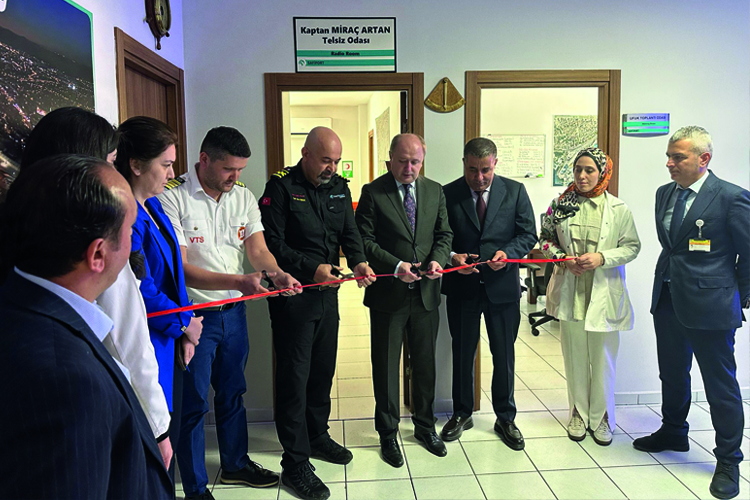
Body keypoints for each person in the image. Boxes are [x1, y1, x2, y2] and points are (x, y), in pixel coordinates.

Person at [0, 154, 172, 499]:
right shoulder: (67, 380)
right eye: (129, 231)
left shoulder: (19, 304)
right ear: (97, 255)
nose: (132, 245)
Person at [159, 126, 300, 500]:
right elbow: (181, 269)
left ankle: (236, 464)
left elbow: (258, 250)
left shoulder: (243, 196)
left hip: (234, 314)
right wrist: (240, 280)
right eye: (228, 169)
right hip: (195, 318)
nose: (235, 177)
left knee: (233, 392)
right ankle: (195, 488)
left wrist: (277, 273)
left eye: (240, 170)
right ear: (204, 159)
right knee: (193, 403)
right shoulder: (173, 197)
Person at [633, 126, 749, 500]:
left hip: (712, 306)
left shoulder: (730, 197)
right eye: (668, 156)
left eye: (678, 157)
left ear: (704, 158)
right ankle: (673, 431)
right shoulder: (664, 193)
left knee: (720, 385)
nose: (669, 164)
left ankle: (728, 460)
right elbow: (673, 247)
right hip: (668, 298)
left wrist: (738, 297)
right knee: (672, 373)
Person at [259, 126, 374, 500]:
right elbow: (272, 244)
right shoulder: (280, 187)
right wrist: (312, 269)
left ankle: (316, 435)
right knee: (294, 377)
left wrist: (358, 262)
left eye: (336, 161)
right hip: (293, 297)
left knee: (322, 371)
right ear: (305, 154)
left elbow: (350, 234)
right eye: (326, 160)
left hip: (327, 296)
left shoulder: (339, 187)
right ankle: (295, 462)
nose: (332, 167)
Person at [355, 133, 453, 467]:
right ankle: (387, 433)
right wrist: (396, 266)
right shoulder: (373, 192)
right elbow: (364, 240)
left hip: (426, 295)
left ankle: (425, 427)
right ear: (390, 159)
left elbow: (444, 235)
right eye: (402, 161)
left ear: (422, 160)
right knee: (386, 367)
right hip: (388, 296)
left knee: (424, 365)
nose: (409, 168)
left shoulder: (434, 191)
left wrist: (438, 259)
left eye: (415, 162)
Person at [114, 116, 204, 480]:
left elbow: (175, 276)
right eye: (165, 165)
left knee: (172, 431)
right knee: (154, 445)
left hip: (171, 338)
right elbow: (141, 291)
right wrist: (184, 322)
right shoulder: (126, 218)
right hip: (150, 341)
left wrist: (186, 324)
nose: (171, 174)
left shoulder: (154, 207)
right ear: (136, 165)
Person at [539, 147, 641, 446]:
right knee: (574, 357)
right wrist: (562, 259)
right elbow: (544, 240)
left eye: (589, 170)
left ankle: (603, 417)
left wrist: (602, 258)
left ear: (602, 173)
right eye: (578, 170)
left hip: (604, 291)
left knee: (603, 358)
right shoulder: (559, 205)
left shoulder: (618, 208)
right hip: (572, 288)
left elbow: (632, 247)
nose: (582, 176)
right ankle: (578, 414)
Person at [440, 137, 537, 449]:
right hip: (462, 287)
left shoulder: (515, 191)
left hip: (502, 287)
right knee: (462, 352)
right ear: (464, 164)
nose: (479, 177)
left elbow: (528, 234)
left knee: (504, 354)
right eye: (472, 170)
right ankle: (462, 413)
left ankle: (505, 417)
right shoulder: (447, 193)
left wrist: (508, 253)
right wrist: (452, 257)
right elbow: (440, 236)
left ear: (495, 164)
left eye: (485, 170)